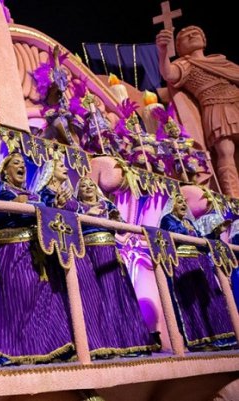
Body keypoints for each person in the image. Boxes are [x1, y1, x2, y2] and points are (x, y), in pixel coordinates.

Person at [0, 152, 75, 364]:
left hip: (36, 251)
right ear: (5, 171)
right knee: (19, 298)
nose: (21, 166)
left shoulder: (33, 193)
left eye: (23, 164)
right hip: (11, 250)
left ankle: (46, 348)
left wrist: (56, 207)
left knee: (43, 299)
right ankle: (16, 350)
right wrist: (13, 202)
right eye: (15, 163)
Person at [73, 177, 158, 358]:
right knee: (94, 300)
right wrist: (88, 215)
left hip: (111, 255)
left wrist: (117, 220)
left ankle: (130, 343)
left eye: (91, 185)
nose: (88, 188)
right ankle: (102, 344)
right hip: (88, 256)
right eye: (83, 186)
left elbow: (122, 231)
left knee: (117, 297)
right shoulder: (76, 207)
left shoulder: (108, 206)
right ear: (78, 192)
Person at [156, 26, 239, 197]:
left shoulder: (222, 62)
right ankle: (234, 197)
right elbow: (168, 74)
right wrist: (163, 51)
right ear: (179, 48)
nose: (193, 35)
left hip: (236, 103)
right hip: (215, 108)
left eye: (196, 33)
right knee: (226, 152)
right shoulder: (185, 65)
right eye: (186, 36)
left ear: (204, 40)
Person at [159, 193, 235, 350]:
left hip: (195, 265)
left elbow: (200, 242)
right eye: (179, 202)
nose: (184, 205)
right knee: (189, 305)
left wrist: (215, 233)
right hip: (180, 265)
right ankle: (198, 342)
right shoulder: (168, 219)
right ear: (172, 206)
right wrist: (187, 231)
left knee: (204, 302)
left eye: (184, 203)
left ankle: (214, 338)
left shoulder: (187, 222)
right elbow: (175, 234)